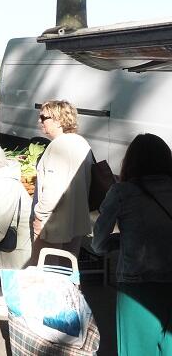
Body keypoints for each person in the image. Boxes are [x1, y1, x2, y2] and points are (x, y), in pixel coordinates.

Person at [92, 133, 172, 355]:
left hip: (138, 285)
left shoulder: (122, 192)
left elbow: (98, 243)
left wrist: (120, 242)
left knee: (137, 349)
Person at [32, 100, 93, 261]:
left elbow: (53, 190)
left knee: (46, 274)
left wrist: (39, 217)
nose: (40, 121)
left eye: (44, 117)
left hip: (53, 226)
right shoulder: (82, 143)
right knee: (67, 273)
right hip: (75, 222)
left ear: (58, 120)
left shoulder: (58, 146)